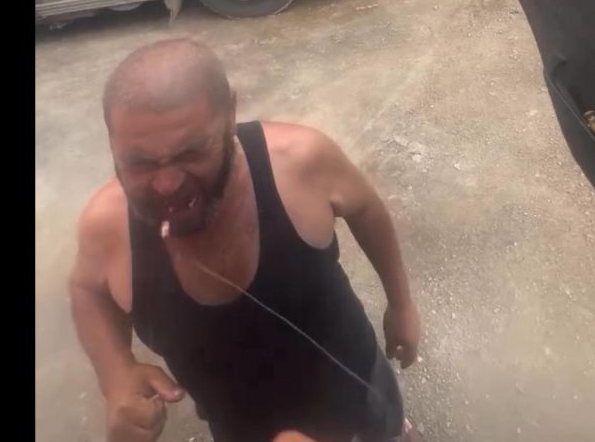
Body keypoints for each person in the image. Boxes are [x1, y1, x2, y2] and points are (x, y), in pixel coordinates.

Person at [69, 39, 422, 442]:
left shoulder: (300, 163)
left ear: (230, 115)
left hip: (357, 383)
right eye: (139, 162)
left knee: (385, 427)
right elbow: (86, 288)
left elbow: (365, 209)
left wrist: (401, 304)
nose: (167, 184)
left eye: (191, 152)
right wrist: (114, 373)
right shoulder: (106, 225)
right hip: (236, 422)